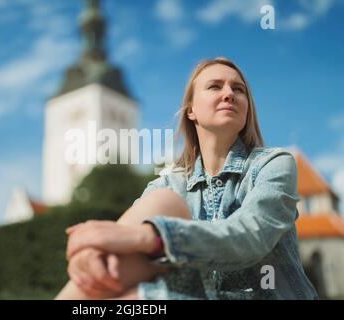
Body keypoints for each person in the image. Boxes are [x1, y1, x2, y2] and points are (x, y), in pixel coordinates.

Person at [55, 57, 319, 300]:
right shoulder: (169, 183)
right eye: (215, 86)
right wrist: (95, 254)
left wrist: (154, 238)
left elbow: (251, 237)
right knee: (159, 207)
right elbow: (123, 240)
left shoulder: (273, 164)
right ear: (191, 110)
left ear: (247, 108)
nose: (229, 93)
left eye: (238, 90)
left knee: (135, 298)